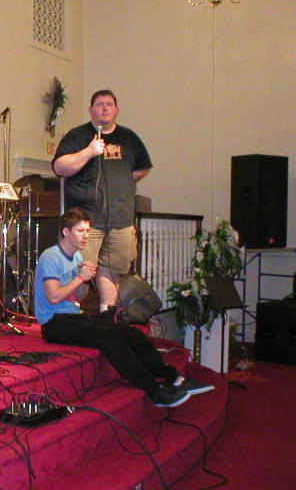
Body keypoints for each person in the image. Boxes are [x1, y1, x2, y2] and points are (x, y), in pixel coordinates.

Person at [34, 208, 214, 407]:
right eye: (80, 231)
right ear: (66, 232)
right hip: (53, 323)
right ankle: (154, 391)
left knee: (130, 333)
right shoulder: (51, 257)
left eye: (87, 231)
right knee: (107, 335)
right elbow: (53, 297)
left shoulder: (77, 257)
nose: (85, 236)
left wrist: (85, 280)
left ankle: (173, 378)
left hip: (73, 316)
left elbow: (80, 297)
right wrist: (80, 277)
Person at [52, 90, 151, 312]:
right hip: (85, 222)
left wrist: (122, 184)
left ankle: (107, 316)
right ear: (90, 110)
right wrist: (88, 152)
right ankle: (70, 317)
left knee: (112, 272)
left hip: (120, 220)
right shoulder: (77, 136)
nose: (104, 108)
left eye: (109, 104)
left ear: (116, 110)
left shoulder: (129, 138)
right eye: (99, 104)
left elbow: (141, 169)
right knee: (77, 274)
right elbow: (59, 167)